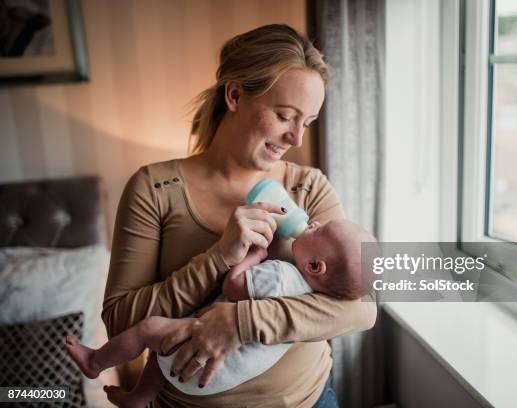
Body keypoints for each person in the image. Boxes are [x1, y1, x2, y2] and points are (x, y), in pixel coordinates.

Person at [101, 24, 377, 408]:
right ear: (234, 95)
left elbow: (363, 307)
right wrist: (219, 257)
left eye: (307, 123)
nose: (297, 139)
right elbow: (119, 323)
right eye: (285, 116)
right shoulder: (156, 189)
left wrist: (239, 323)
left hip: (310, 399)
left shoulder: (308, 187)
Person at [67, 219, 375, 407]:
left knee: (149, 331)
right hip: (221, 378)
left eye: (318, 229)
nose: (312, 222)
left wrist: (252, 257)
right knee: (161, 353)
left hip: (206, 366)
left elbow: (235, 285)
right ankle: (137, 399)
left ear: (315, 266)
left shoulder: (282, 275)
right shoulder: (315, 292)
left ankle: (95, 362)